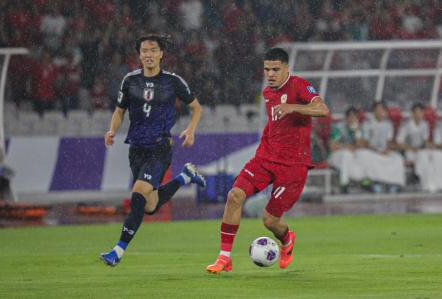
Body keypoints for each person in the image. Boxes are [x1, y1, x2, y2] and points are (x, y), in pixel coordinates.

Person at [206, 48, 329, 273]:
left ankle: (287, 240)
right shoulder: (268, 92)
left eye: (275, 69)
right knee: (235, 196)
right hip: (265, 157)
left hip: (293, 166)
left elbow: (323, 109)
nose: (270, 74)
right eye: (266, 69)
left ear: (286, 68)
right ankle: (224, 257)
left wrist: (293, 107)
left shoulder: (300, 85)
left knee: (270, 221)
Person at [100, 34, 206, 266]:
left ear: (161, 54)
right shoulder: (129, 80)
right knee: (149, 206)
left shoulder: (173, 81)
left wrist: (190, 130)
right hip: (136, 148)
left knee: (138, 196)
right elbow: (119, 111)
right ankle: (184, 177)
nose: (148, 54)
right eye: (144, 50)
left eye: (153, 50)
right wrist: (111, 130)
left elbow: (196, 108)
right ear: (139, 55)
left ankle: (117, 251)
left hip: (159, 147)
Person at [359, 101, 405, 193]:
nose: (380, 112)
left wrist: (387, 150)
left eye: (382, 110)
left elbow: (389, 141)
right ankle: (375, 182)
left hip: (384, 150)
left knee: (397, 158)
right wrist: (376, 151)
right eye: (377, 110)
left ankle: (395, 184)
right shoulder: (367, 124)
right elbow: (365, 142)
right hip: (371, 150)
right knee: (368, 157)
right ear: (374, 111)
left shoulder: (388, 124)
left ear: (385, 111)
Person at [328, 106, 366, 193]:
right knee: (346, 154)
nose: (352, 119)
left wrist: (357, 132)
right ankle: (344, 184)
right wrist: (346, 147)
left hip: (352, 157)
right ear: (346, 117)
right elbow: (332, 146)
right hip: (336, 156)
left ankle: (365, 181)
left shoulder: (359, 129)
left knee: (363, 154)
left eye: (355, 117)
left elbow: (362, 146)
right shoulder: (339, 128)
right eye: (350, 116)